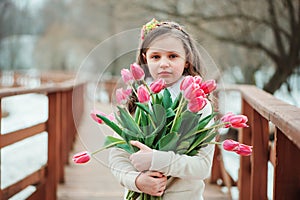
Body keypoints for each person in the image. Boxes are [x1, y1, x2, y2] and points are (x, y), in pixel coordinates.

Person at [109, 18, 215, 200]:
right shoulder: (137, 101)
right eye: (156, 57)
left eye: (173, 56)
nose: (164, 63)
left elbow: (202, 166)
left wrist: (156, 160)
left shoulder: (199, 106)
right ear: (145, 59)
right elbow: (118, 157)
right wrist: (137, 180)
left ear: (187, 60)